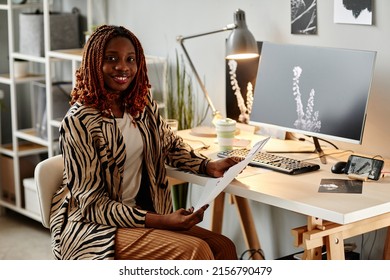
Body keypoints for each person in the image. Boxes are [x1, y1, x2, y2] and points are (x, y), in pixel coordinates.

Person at [50, 25, 240, 260]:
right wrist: (162, 220)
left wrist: (206, 166)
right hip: (95, 229)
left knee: (223, 246)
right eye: (112, 58)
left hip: (143, 214)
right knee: (196, 251)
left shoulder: (140, 102)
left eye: (131, 59)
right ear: (93, 63)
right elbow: (92, 204)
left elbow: (168, 143)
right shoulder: (79, 121)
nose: (123, 67)